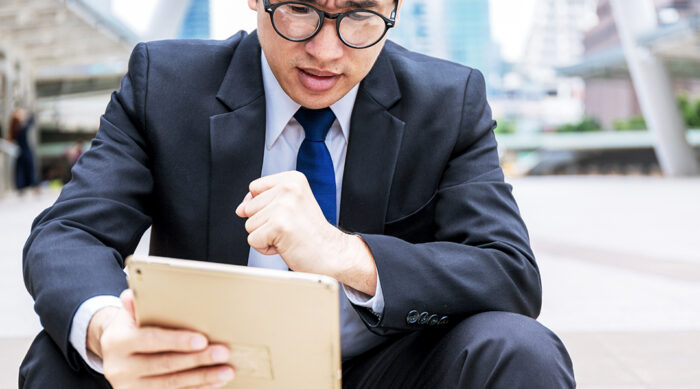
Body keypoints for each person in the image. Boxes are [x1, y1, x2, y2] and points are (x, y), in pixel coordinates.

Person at [20, 0, 576, 387]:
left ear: (395, 9)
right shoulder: (164, 82)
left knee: (518, 347)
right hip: (201, 368)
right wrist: (110, 332)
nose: (327, 51)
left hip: (381, 370)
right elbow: (70, 232)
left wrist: (348, 256)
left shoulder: (449, 101)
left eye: (360, 16)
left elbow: (508, 274)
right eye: (299, 11)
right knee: (62, 357)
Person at [8, 108, 40, 195]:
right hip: (25, 150)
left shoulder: (14, 127)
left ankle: (21, 188)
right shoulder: (20, 126)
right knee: (30, 168)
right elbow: (31, 120)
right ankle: (35, 186)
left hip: (20, 152)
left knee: (20, 170)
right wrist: (27, 112)